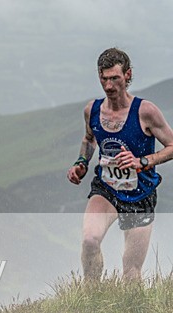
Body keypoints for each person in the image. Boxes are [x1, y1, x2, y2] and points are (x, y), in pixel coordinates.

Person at [67, 47, 173, 281]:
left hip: (140, 193)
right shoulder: (92, 110)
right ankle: (91, 297)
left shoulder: (145, 111)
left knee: (131, 271)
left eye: (114, 78)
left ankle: (129, 312)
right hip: (106, 189)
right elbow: (89, 138)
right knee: (89, 240)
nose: (108, 86)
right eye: (103, 79)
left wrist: (143, 161)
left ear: (127, 75)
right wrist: (81, 162)